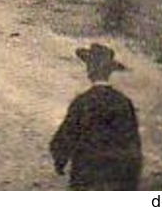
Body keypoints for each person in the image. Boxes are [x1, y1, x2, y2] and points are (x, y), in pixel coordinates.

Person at [51, 43, 142, 190]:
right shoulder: (123, 102)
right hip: (116, 177)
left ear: (90, 71)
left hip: (86, 175)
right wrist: (132, 179)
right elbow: (132, 142)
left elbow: (66, 135)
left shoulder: (82, 102)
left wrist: (60, 160)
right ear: (109, 72)